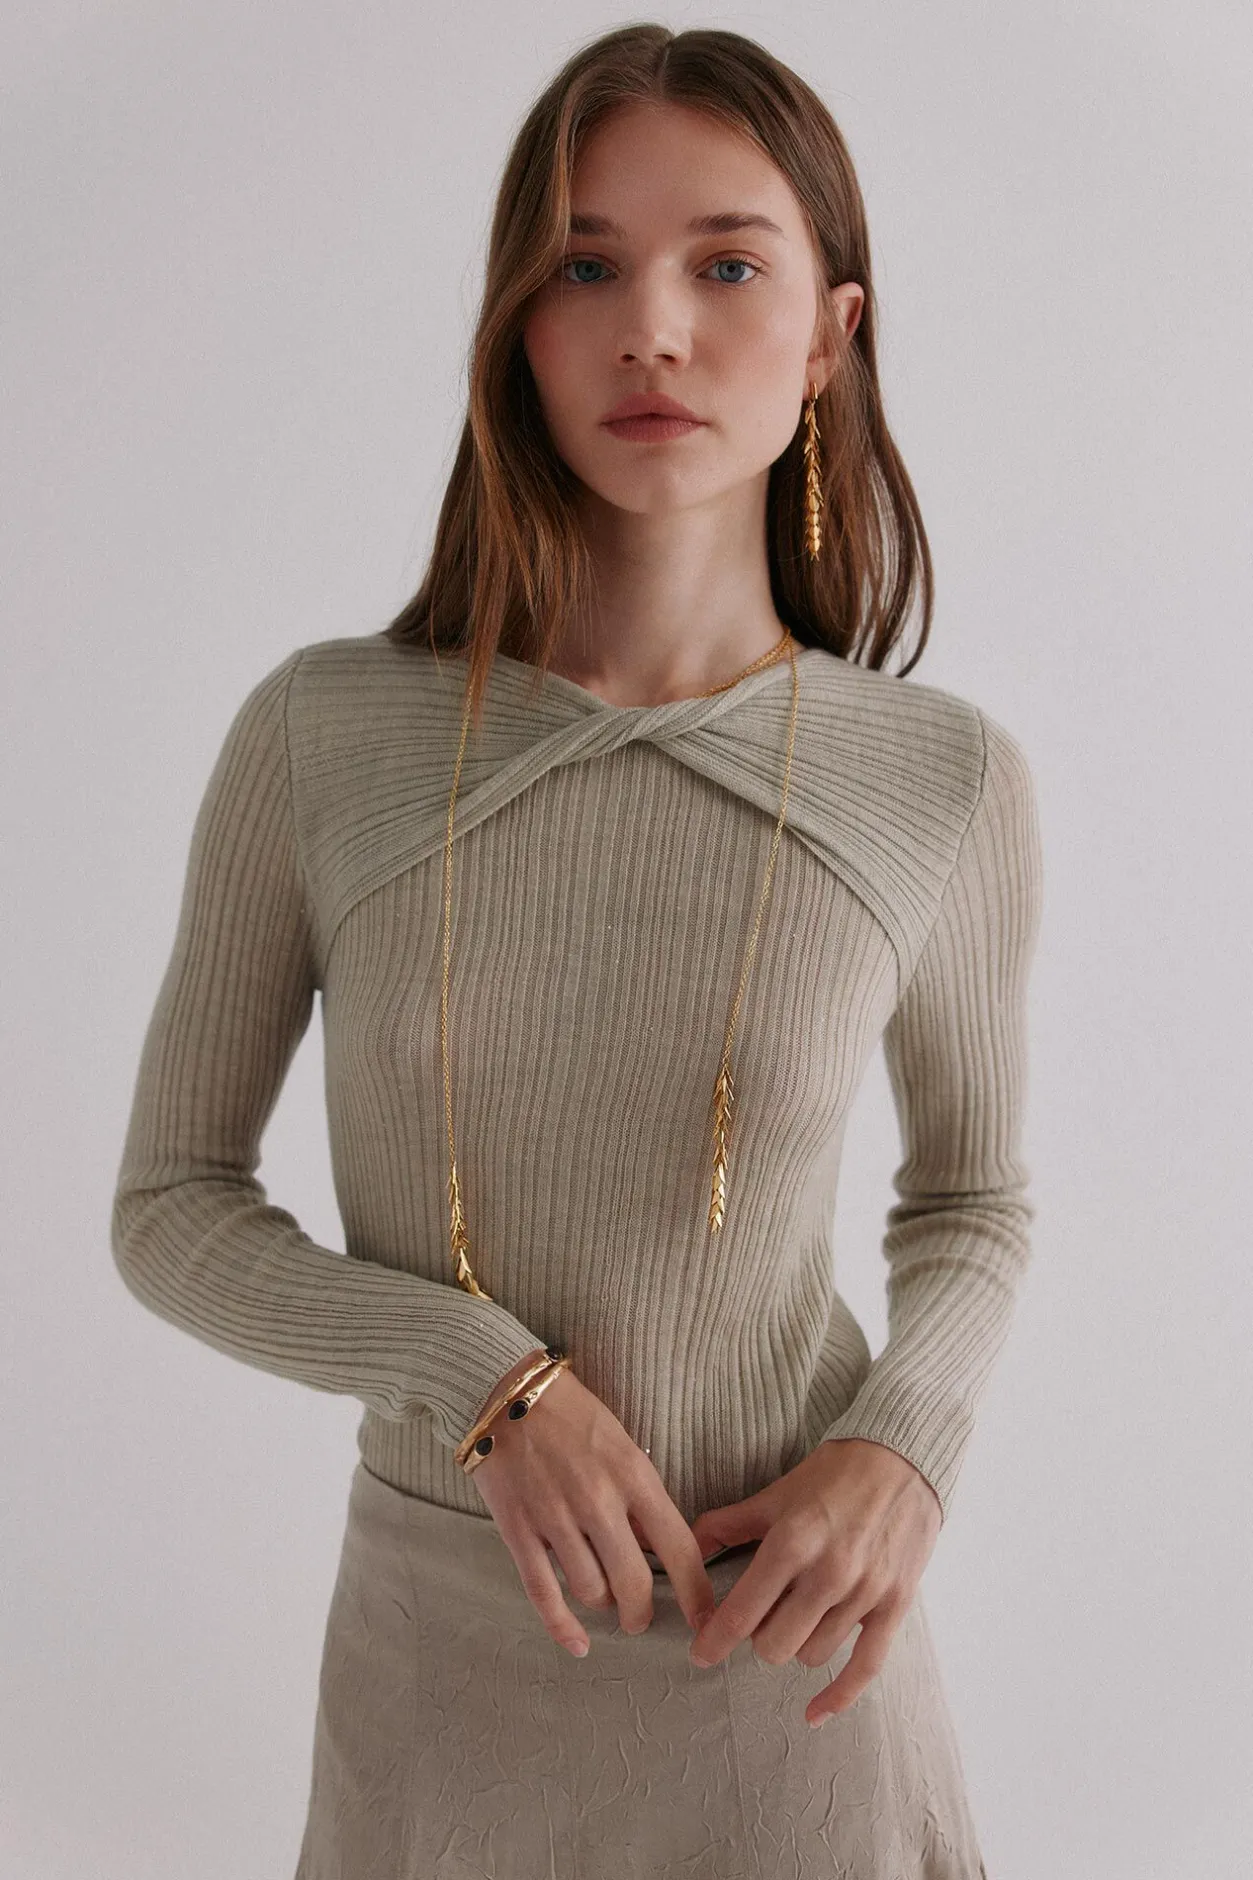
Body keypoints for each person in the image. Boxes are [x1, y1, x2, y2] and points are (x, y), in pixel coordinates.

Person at [110, 23, 1042, 1879]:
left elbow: (973, 1203)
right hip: (440, 1670)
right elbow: (171, 1207)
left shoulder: (939, 779)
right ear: (516, 327)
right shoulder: (323, 737)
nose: (654, 333)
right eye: (586, 267)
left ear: (832, 334)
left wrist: (907, 1446)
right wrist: (480, 1380)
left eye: (728, 265)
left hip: (790, 1667)